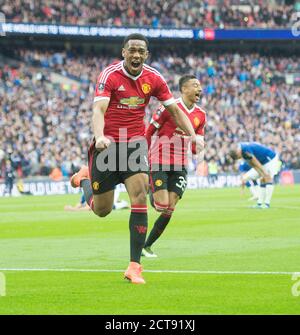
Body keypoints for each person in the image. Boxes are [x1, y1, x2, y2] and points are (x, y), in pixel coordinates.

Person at [70, 34, 198, 284]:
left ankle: (134, 266)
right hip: (107, 147)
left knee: (139, 196)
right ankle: (84, 177)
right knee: (102, 210)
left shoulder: (154, 78)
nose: (136, 55)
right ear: (123, 52)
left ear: (146, 54)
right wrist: (99, 137)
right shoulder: (110, 75)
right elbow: (98, 109)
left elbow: (174, 109)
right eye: (132, 51)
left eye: (141, 51)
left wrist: (194, 136)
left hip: (134, 146)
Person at [142, 75, 206, 258]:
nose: (199, 89)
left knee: (170, 208)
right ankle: (151, 190)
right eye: (195, 85)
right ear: (184, 89)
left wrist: (198, 145)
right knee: (161, 205)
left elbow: (195, 146)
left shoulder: (201, 115)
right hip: (159, 159)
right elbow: (149, 131)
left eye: (200, 85)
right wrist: (144, 155)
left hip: (180, 164)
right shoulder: (168, 107)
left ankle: (147, 246)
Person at [229, 142, 280, 208]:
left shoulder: (245, 149)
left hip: (270, 159)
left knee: (268, 178)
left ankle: (267, 204)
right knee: (262, 179)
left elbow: (256, 162)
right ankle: (260, 204)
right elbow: (252, 164)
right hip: (262, 161)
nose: (240, 158)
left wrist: (264, 173)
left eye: (238, 157)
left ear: (237, 152)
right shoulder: (242, 152)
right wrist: (261, 174)